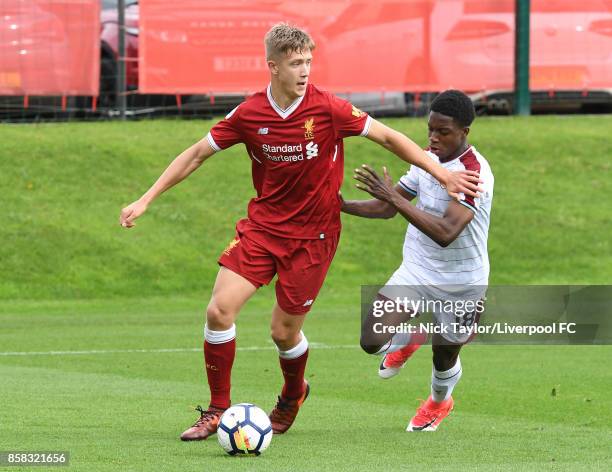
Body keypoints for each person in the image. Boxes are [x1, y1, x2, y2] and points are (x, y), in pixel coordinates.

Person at [119, 25, 481, 441]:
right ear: (273, 67)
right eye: (295, 63)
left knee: (282, 332)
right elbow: (198, 154)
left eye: (308, 61)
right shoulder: (249, 114)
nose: (305, 70)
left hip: (314, 238)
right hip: (262, 228)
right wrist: (146, 199)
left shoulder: (329, 109)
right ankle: (217, 410)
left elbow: (388, 136)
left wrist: (441, 174)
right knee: (219, 311)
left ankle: (293, 393)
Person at [342, 89, 494, 431]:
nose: (433, 138)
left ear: (464, 132)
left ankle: (439, 403)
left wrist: (394, 200)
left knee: (444, 359)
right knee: (371, 340)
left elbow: (445, 232)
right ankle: (410, 336)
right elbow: (385, 208)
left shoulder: (474, 173)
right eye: (430, 129)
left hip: (462, 281)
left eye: (443, 132)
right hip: (417, 270)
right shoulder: (425, 160)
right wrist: (340, 206)